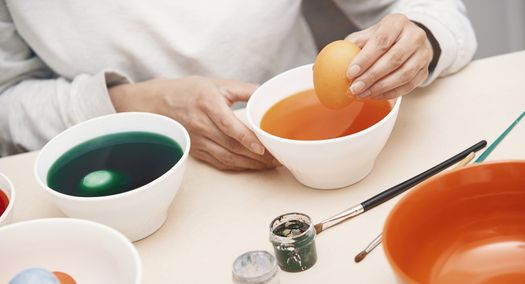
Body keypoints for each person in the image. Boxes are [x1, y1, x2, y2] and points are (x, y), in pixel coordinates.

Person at [0, 0, 476, 170]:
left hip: (307, 153)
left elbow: (427, 10)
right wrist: (130, 105)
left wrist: (421, 38)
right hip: (116, 178)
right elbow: (8, 100)